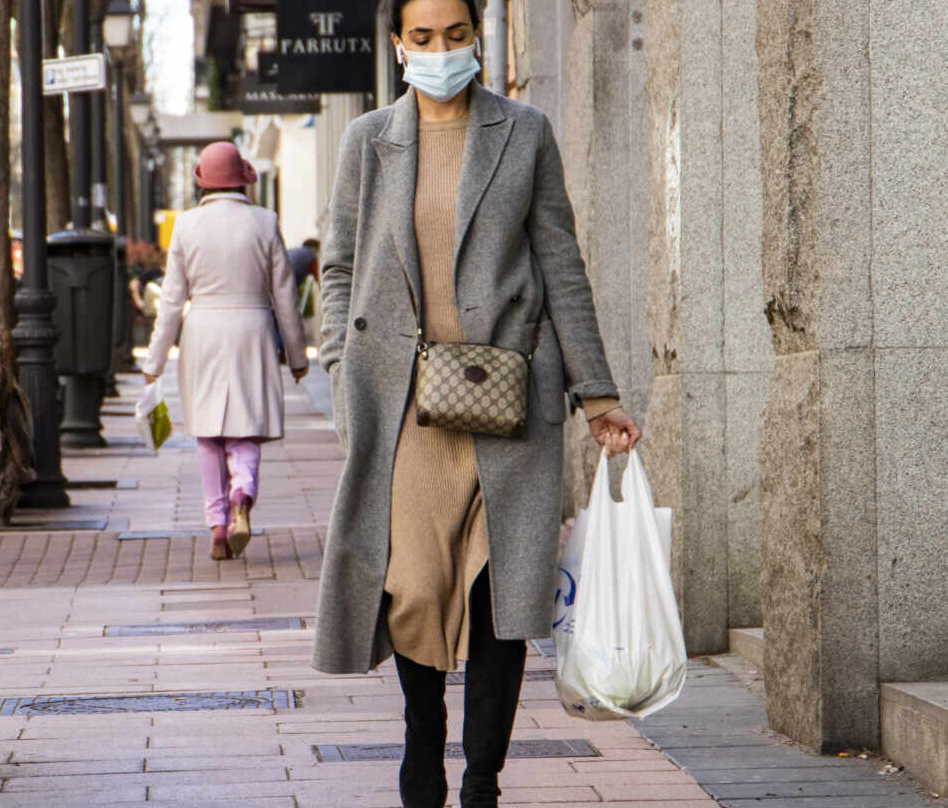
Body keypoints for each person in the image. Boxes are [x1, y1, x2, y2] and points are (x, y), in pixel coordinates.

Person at [310, 1, 642, 806]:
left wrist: (595, 394)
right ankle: (424, 739)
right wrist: (337, 372)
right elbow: (340, 266)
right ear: (398, 45)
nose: (441, 52)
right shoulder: (367, 142)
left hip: (507, 400)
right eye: (422, 39)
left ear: (475, 40)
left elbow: (562, 265)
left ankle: (483, 780)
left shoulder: (522, 133)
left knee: (501, 591)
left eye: (455, 36)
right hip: (405, 410)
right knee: (417, 586)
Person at [142, 141, 309, 561]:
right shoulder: (265, 222)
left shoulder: (186, 226)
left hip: (203, 335)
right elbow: (285, 296)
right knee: (244, 427)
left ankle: (217, 523)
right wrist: (297, 356)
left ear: (203, 183)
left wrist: (154, 361)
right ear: (242, 179)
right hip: (253, 331)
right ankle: (243, 492)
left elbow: (172, 300)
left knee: (208, 433)